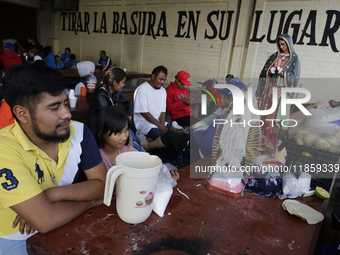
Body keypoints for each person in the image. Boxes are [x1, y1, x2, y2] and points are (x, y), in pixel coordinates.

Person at [0, 64, 106, 252]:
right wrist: (91, 200)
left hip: (70, 222)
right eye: (54, 107)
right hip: (15, 236)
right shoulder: (4, 149)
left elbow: (103, 185)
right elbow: (45, 220)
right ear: (22, 114)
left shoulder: (78, 132)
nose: (67, 114)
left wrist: (51, 195)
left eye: (65, 103)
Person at [94, 106, 179, 181]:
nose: (124, 137)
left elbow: (147, 161)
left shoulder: (126, 149)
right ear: (101, 134)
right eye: (118, 133)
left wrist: (167, 173)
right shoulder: (97, 160)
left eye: (126, 130)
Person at [256, 34, 300, 157]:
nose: (281, 47)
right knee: (263, 117)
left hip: (280, 93)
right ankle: (261, 142)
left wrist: (282, 73)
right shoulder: (274, 57)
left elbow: (293, 77)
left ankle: (271, 144)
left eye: (283, 44)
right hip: (268, 91)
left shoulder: (294, 59)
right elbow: (264, 72)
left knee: (273, 119)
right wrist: (270, 72)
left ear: (288, 44)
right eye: (279, 44)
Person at [193, 78, 247, 158]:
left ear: (231, 99)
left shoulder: (224, 119)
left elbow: (205, 143)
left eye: (223, 97)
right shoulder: (246, 116)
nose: (220, 99)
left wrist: (197, 133)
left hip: (209, 157)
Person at [134, 65, 171, 140]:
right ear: (153, 76)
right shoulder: (142, 89)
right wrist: (160, 126)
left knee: (175, 134)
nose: (162, 82)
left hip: (158, 123)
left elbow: (162, 112)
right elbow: (144, 113)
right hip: (144, 123)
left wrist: (162, 125)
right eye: (160, 79)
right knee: (163, 139)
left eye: (164, 80)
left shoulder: (163, 91)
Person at [89, 66, 132, 132]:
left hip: (112, 126)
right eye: (123, 82)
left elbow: (128, 102)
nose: (124, 85)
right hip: (100, 130)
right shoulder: (101, 94)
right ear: (114, 82)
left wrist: (129, 115)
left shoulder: (115, 92)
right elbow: (107, 116)